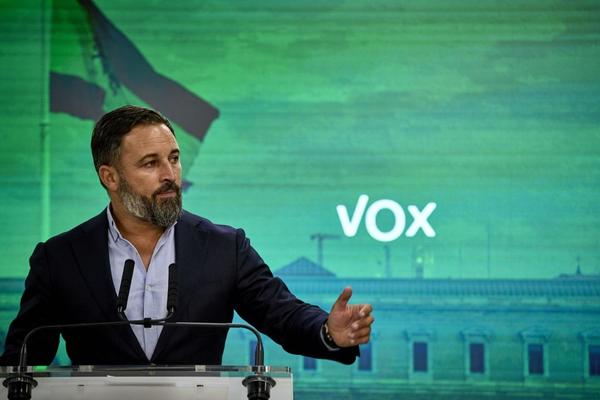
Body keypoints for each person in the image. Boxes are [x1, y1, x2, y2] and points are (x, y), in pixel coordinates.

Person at [0, 105, 373, 366]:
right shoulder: (60, 258)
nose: (170, 174)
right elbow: (22, 361)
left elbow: (283, 315)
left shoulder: (225, 247)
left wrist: (328, 331)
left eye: (174, 159)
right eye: (151, 163)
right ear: (109, 177)